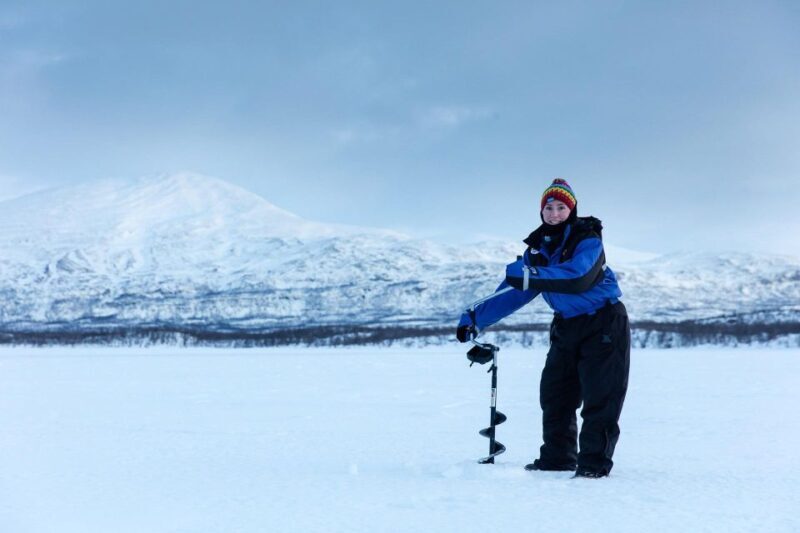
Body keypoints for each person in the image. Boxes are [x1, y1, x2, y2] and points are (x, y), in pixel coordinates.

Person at [456, 178, 630, 478]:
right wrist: (475, 318)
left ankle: (593, 465)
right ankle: (558, 458)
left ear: (571, 209)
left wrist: (530, 274)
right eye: (549, 207)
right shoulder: (538, 250)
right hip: (566, 325)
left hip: (603, 323)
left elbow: (578, 277)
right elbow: (513, 292)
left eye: (561, 207)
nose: (554, 213)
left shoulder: (587, 239)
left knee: (601, 397)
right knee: (555, 395)